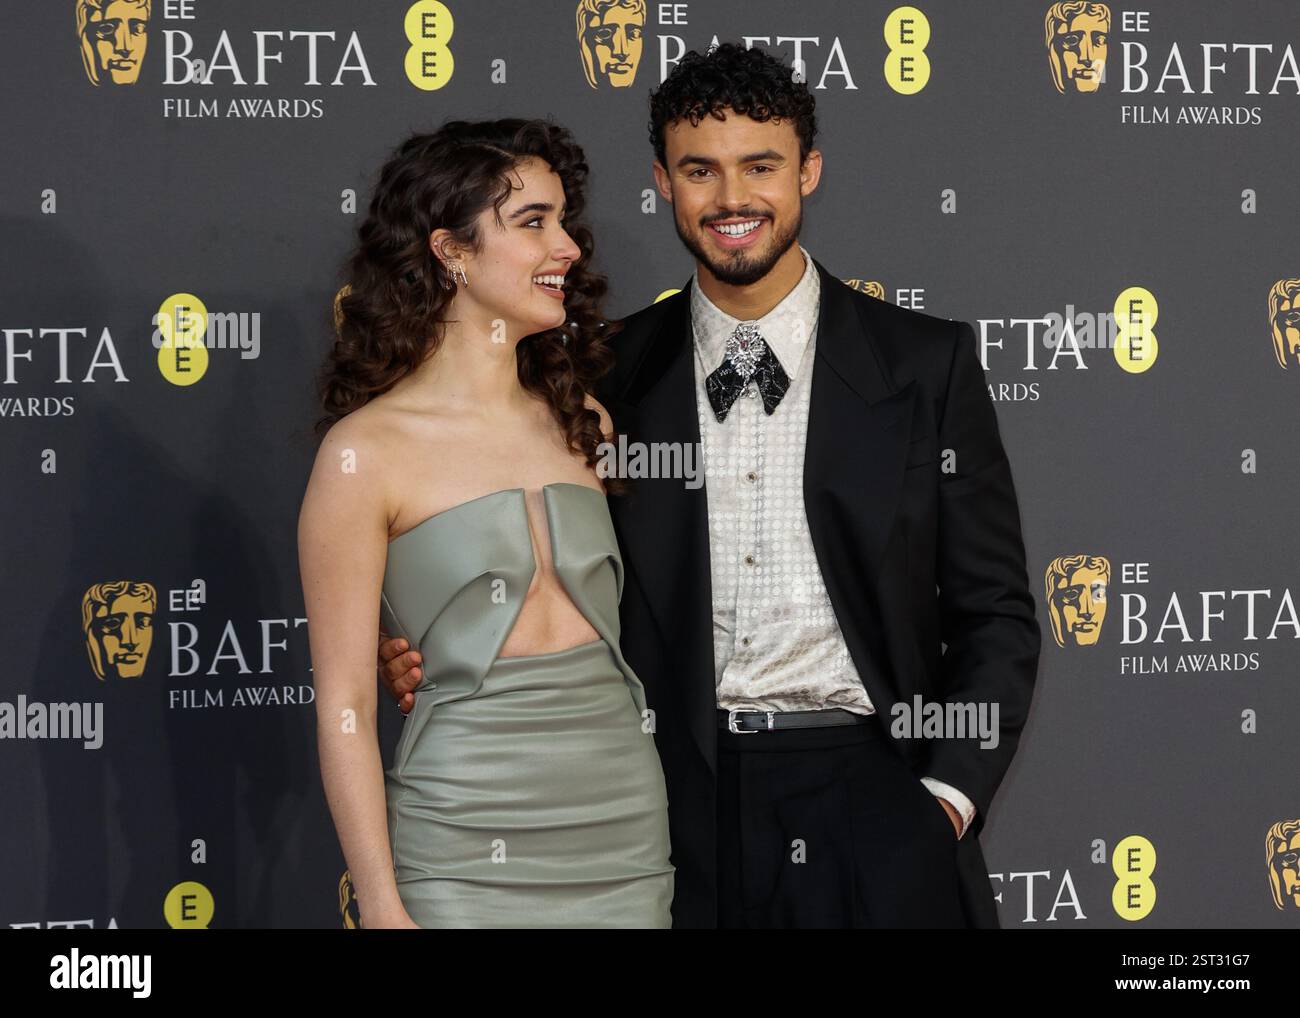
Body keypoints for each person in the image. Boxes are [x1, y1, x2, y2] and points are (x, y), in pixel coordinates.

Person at [380, 43, 1042, 928]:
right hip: (665, 805)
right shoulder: (600, 374)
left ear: (808, 169)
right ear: (663, 180)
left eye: (760, 166)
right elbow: (532, 561)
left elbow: (994, 611)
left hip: (874, 799)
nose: (732, 200)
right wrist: (433, 638)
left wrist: (946, 798)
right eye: (701, 170)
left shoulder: (926, 364)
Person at [299, 119, 674, 928]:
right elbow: (346, 706)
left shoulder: (588, 426)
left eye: (565, 220)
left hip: (621, 824)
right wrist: (382, 905)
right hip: (460, 832)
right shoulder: (364, 455)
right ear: (451, 251)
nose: (568, 246)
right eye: (533, 221)